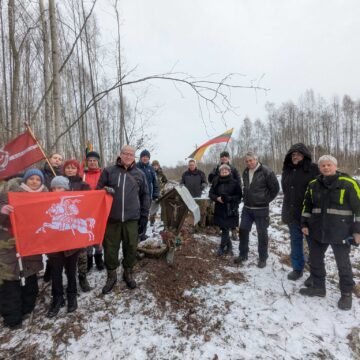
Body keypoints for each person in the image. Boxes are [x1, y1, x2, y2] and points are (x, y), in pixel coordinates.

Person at [299, 155, 360, 310]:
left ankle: (346, 293)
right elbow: (307, 205)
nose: (326, 168)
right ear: (319, 168)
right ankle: (319, 287)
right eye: (323, 166)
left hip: (341, 232)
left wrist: (357, 231)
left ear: (335, 166)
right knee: (316, 259)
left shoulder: (348, 183)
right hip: (317, 230)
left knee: (343, 264)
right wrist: (305, 223)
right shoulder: (313, 184)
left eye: (329, 165)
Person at [97, 145, 150, 294]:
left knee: (131, 247)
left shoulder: (140, 174)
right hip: (111, 219)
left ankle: (128, 272)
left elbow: (146, 195)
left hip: (131, 219)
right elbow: (97, 191)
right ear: (120, 155)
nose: (128, 156)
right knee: (110, 249)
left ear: (134, 157)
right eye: (125, 153)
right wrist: (103, 191)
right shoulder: (109, 171)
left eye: (131, 154)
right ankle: (111, 275)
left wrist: (144, 215)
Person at [0, 169, 47, 329]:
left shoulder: (45, 197)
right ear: (25, 180)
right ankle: (12, 318)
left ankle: (27, 308)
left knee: (30, 277)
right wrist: (2, 212)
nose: (34, 181)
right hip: (9, 245)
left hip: (31, 244)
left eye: (37, 179)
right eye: (31, 179)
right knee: (10, 282)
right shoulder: (7, 194)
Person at [281, 143, 320, 281]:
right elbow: (286, 191)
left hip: (309, 216)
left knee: (313, 246)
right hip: (292, 215)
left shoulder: (313, 169)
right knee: (295, 243)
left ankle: (315, 274)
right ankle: (297, 269)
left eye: (297, 154)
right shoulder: (287, 170)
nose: (295, 156)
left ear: (304, 155)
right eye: (292, 154)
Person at [234, 152, 279, 268]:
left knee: (262, 234)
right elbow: (246, 187)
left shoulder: (266, 171)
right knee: (243, 230)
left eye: (251, 160)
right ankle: (243, 254)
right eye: (247, 161)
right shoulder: (245, 172)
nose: (249, 163)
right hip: (247, 208)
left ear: (256, 159)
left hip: (261, 209)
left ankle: (263, 258)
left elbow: (275, 189)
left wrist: (265, 200)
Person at [47, 176, 80, 318]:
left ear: (66, 189)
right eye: (53, 188)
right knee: (56, 272)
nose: (56, 190)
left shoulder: (71, 201)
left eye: (60, 188)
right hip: (53, 245)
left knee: (71, 271)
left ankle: (72, 294)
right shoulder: (47, 202)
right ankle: (57, 297)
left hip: (71, 244)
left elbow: (78, 213)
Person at [62, 159, 92, 292]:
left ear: (77, 169)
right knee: (67, 253)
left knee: (81, 253)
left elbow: (91, 200)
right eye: (67, 168)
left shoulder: (83, 184)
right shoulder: (59, 183)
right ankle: (70, 278)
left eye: (73, 168)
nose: (70, 170)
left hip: (79, 223)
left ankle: (82, 276)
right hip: (65, 225)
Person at [209, 164, 242, 256]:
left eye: (226, 171)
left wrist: (229, 199)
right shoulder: (216, 181)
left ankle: (221, 247)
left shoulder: (235, 183)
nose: (224, 172)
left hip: (231, 209)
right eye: (222, 171)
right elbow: (211, 193)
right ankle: (230, 247)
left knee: (226, 228)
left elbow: (239, 197)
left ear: (229, 172)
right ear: (220, 172)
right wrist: (217, 198)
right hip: (220, 208)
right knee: (224, 228)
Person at [208, 150, 241, 240]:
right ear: (220, 159)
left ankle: (234, 232)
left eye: (225, 157)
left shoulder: (233, 169)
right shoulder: (217, 168)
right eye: (222, 157)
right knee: (220, 214)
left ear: (228, 158)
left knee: (233, 214)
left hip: (232, 196)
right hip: (220, 195)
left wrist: (236, 196)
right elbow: (211, 181)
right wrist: (211, 175)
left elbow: (238, 182)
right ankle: (221, 230)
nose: (224, 158)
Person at [42, 153, 64, 282]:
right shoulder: (41, 173)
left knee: (57, 243)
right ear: (50, 159)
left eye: (60, 159)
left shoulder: (61, 175)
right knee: (49, 243)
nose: (57, 160)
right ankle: (49, 269)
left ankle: (52, 269)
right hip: (46, 212)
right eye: (55, 158)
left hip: (58, 213)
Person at [82, 151, 104, 271]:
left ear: (97, 161)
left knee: (98, 233)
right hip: (86, 209)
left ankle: (99, 257)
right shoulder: (83, 174)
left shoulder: (103, 173)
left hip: (99, 208)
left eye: (94, 160)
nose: (92, 162)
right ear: (87, 162)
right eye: (90, 160)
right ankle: (89, 258)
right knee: (87, 233)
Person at [136, 150, 159, 240]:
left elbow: (155, 182)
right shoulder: (136, 167)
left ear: (149, 158)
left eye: (147, 157)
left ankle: (143, 234)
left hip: (147, 196)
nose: (145, 158)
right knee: (136, 216)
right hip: (136, 196)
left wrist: (155, 193)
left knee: (145, 216)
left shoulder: (151, 169)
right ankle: (136, 234)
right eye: (143, 156)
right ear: (141, 157)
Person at [149, 160, 168, 226]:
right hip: (154, 193)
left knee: (163, 207)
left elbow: (165, 181)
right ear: (152, 166)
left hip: (161, 192)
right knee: (153, 207)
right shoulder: (150, 172)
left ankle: (163, 220)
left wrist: (162, 187)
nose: (155, 167)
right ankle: (152, 221)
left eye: (156, 165)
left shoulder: (161, 173)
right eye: (154, 166)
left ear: (158, 166)